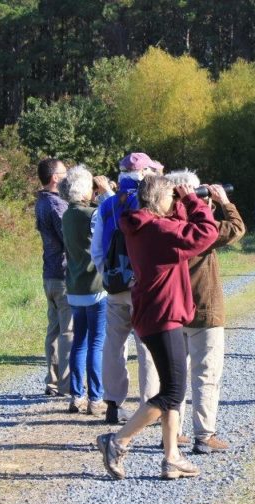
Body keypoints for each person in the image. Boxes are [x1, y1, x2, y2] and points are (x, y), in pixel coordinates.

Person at [96, 175, 218, 480]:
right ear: (161, 199)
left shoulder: (140, 224)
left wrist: (180, 204)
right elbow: (205, 233)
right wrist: (193, 201)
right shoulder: (159, 230)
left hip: (154, 314)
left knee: (171, 390)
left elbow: (174, 227)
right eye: (171, 198)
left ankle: (171, 457)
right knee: (173, 392)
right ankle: (117, 440)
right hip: (163, 316)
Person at [166, 170, 245, 454]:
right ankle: (204, 435)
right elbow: (236, 228)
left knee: (175, 376)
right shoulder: (202, 229)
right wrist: (223, 201)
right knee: (206, 374)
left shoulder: (164, 225)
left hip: (173, 310)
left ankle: (173, 433)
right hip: (204, 310)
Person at [90, 152, 163, 425]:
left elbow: (97, 247)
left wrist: (107, 274)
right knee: (147, 345)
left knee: (114, 343)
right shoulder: (148, 201)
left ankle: (113, 402)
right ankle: (149, 405)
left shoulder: (107, 204)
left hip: (115, 285)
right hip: (142, 284)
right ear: (145, 174)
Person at [60, 165, 108, 415]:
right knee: (97, 343)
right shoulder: (92, 214)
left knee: (80, 341)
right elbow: (114, 222)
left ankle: (77, 395)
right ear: (83, 190)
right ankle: (96, 397)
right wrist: (107, 193)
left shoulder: (67, 215)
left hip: (74, 286)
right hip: (95, 286)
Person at [35, 158, 73, 397]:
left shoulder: (41, 202)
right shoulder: (57, 205)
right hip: (62, 273)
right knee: (67, 330)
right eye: (64, 173)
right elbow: (68, 238)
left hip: (49, 273)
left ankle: (52, 380)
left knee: (54, 329)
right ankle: (67, 384)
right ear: (55, 178)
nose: (67, 176)